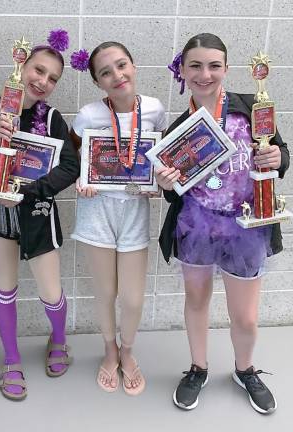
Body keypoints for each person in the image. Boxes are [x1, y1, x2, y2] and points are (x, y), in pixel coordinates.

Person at [157, 33, 289, 414]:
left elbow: (283, 155)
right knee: (196, 302)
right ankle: (198, 368)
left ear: (226, 69)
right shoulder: (178, 130)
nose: (205, 73)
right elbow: (173, 192)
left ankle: (244, 369)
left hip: (246, 226)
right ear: (182, 70)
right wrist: (168, 185)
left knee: (245, 317)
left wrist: (278, 157)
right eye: (195, 65)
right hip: (196, 225)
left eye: (214, 65)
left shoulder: (251, 108)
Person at [0, 33, 80, 401]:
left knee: (50, 291)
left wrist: (29, 191)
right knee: (4, 287)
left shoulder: (54, 119)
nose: (43, 81)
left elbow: (70, 167)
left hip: (38, 215)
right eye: (38, 70)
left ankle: (58, 338)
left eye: (53, 78)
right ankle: (11, 360)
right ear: (22, 68)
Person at [70, 41, 167, 395]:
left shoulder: (154, 109)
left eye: (122, 65)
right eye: (106, 72)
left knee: (133, 298)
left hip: (134, 209)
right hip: (97, 210)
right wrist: (82, 179)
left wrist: (156, 181)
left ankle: (128, 350)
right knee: (105, 291)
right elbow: (73, 158)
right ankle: (110, 351)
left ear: (134, 65)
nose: (117, 76)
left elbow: (159, 157)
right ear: (97, 82)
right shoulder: (89, 115)